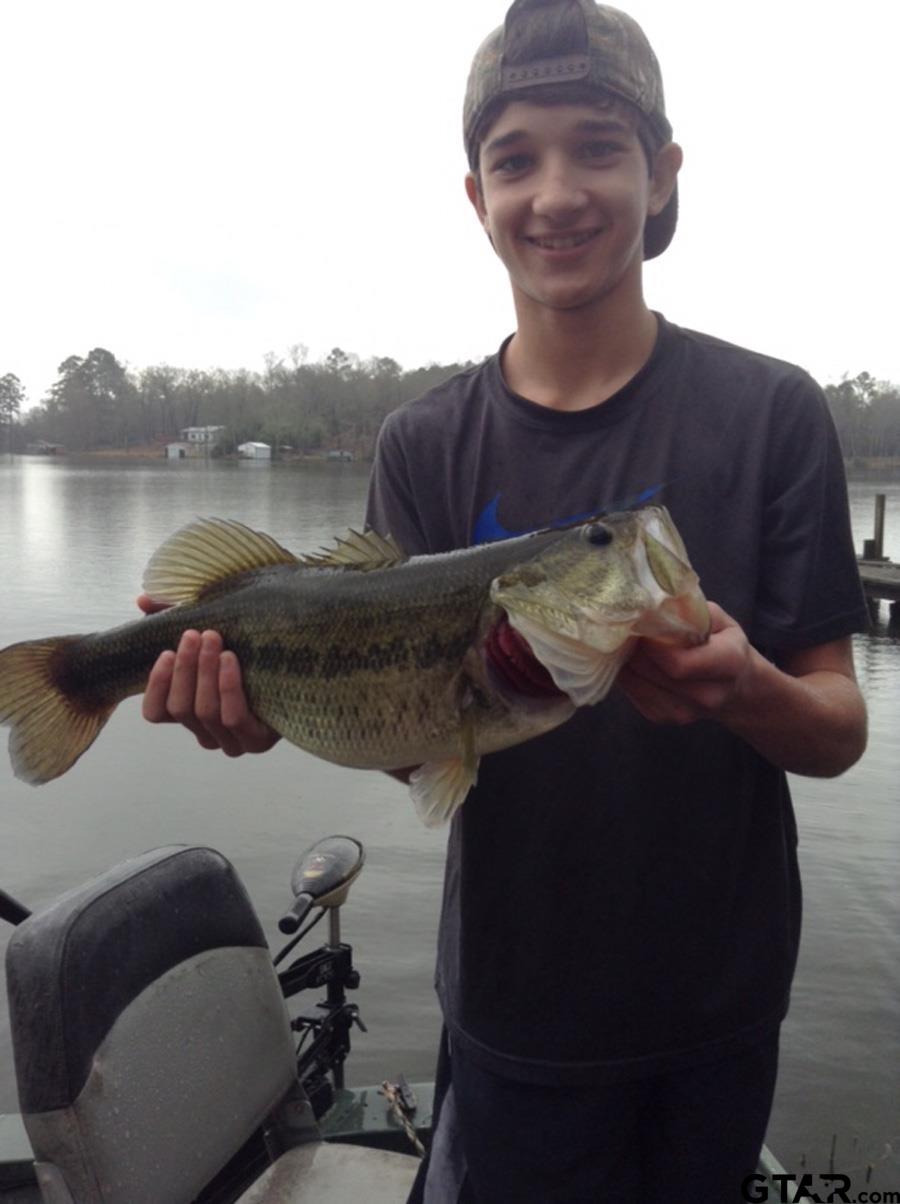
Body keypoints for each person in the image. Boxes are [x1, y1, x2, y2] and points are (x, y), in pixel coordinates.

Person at [140, 1, 869, 1199]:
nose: (557, 193)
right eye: (516, 159)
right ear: (478, 198)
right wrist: (266, 707)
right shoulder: (425, 443)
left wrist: (748, 688)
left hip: (721, 1005)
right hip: (515, 1007)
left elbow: (837, 727)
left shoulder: (771, 414)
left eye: (598, 147)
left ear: (662, 174)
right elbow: (423, 745)